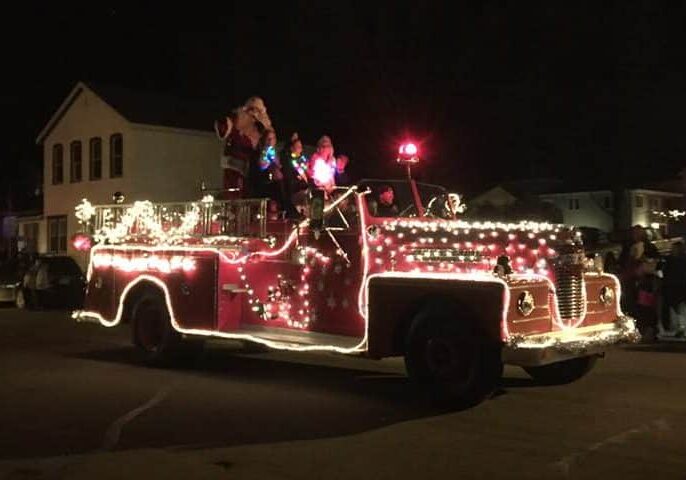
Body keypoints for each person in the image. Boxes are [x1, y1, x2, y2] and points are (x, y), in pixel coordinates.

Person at [214, 96, 272, 198]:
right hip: (234, 164)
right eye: (252, 109)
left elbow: (268, 143)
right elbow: (226, 127)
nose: (254, 113)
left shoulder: (261, 127)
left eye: (257, 110)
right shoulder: (238, 119)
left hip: (251, 168)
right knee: (233, 193)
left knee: (246, 194)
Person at [659, 241, 686, 338]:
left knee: (676, 307)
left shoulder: (670, 260)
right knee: (679, 307)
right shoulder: (676, 260)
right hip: (678, 285)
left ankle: (680, 327)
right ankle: (681, 327)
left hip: (674, 286)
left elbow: (664, 271)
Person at [282, 132, 309, 217]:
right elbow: (290, 180)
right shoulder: (289, 161)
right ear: (292, 148)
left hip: (305, 188)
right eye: (297, 147)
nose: (300, 149)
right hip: (295, 191)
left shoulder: (302, 160)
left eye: (301, 147)